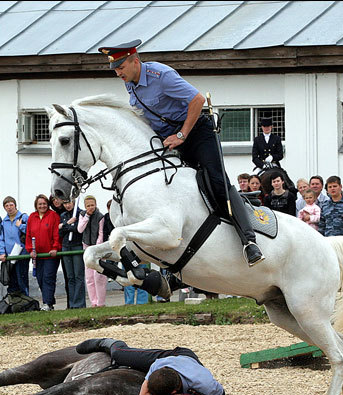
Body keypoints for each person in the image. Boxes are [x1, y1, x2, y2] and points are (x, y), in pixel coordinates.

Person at [98, 39, 264, 266]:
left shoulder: (160, 75)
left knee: (217, 182)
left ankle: (249, 241)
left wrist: (182, 135)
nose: (118, 73)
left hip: (195, 133)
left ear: (135, 61)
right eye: (115, 69)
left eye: (121, 67)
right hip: (169, 140)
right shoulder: (131, 84)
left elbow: (197, 100)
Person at [75, 338, 225, 395]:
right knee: (120, 355)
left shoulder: (206, 385)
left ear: (173, 390)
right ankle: (106, 342)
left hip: (186, 359)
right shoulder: (157, 365)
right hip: (171, 359)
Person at [26, 194, 61, 311]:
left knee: (48, 277)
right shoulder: (32, 217)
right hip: (37, 255)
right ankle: (49, 300)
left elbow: (57, 233)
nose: (42, 206)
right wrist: (30, 250)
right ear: (36, 205)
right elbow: (28, 235)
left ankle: (47, 303)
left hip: (50, 255)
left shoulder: (53, 216)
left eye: (44, 204)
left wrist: (55, 247)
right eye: (40, 204)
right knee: (40, 278)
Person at [78, 195, 107, 307]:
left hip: (97, 248)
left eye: (92, 205)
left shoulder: (100, 216)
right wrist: (87, 216)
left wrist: (97, 248)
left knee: (98, 276)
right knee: (89, 277)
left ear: (96, 204)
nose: (90, 207)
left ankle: (101, 302)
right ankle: (93, 302)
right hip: (86, 247)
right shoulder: (82, 215)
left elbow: (101, 233)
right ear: (85, 206)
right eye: (88, 206)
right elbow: (80, 229)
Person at [0, 196, 30, 297]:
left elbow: (30, 232)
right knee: (11, 280)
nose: (9, 207)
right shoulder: (4, 221)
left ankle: (25, 300)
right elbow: (2, 238)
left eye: (11, 205)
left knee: (22, 279)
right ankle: (13, 302)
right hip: (9, 255)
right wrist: (2, 252)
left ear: (15, 205)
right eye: (6, 206)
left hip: (22, 254)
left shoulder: (23, 217)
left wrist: (20, 226)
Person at [59, 199, 86, 309]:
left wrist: (65, 226)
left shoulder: (80, 214)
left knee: (78, 275)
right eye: (65, 203)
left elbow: (78, 229)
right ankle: (72, 303)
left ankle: (79, 303)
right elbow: (60, 231)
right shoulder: (63, 215)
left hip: (77, 245)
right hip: (66, 246)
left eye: (69, 203)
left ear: (74, 202)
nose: (67, 205)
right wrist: (68, 224)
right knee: (70, 277)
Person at [50, 194, 70, 307]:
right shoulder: (51, 214)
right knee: (50, 276)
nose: (56, 202)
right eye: (53, 200)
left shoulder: (68, 212)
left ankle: (71, 303)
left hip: (66, 245)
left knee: (69, 276)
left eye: (57, 199)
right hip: (54, 247)